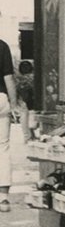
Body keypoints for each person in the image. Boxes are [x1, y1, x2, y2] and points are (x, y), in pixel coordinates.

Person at [0, 38, 17, 212]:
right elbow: (8, 78)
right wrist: (14, 104)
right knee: (2, 147)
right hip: (0, 99)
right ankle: (3, 198)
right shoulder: (2, 45)